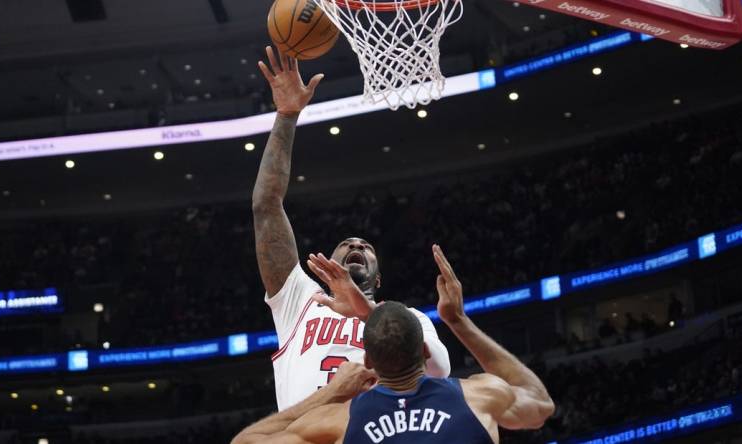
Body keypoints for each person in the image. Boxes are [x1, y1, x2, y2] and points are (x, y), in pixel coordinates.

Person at [252, 46, 450, 411]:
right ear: (328, 264)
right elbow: (266, 208)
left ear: (377, 281)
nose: (357, 244)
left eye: (366, 247)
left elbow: (439, 370)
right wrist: (286, 115)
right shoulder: (300, 300)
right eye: (346, 243)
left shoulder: (408, 319)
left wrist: (365, 312)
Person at [231, 245, 554, 444]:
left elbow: (246, 442)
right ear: (425, 351)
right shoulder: (478, 396)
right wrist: (458, 321)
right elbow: (540, 403)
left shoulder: (341, 419)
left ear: (367, 360)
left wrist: (331, 392)